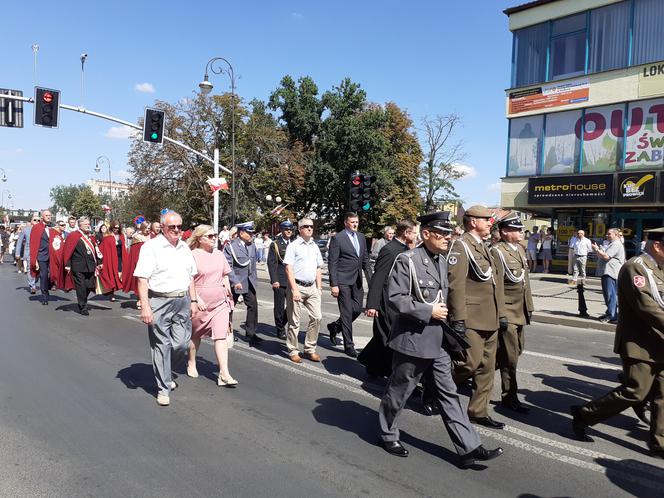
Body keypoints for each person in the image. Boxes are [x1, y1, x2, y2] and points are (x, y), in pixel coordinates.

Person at [378, 211, 504, 468]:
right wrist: (427, 311)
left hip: (437, 339)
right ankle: (388, 434)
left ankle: (469, 447)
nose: (449, 238)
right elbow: (395, 298)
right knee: (400, 390)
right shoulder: (408, 260)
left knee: (448, 393)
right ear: (426, 234)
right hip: (412, 339)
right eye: (443, 234)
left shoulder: (443, 260)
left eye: (450, 233)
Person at [570, 227, 664, 459]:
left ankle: (659, 443)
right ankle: (584, 414)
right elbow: (647, 307)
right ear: (658, 246)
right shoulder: (636, 267)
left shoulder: (659, 268)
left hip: (659, 341)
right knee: (635, 392)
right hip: (640, 343)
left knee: (663, 394)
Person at [447, 205, 506, 429]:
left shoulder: (484, 247)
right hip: (470, 317)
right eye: (486, 219)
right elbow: (456, 285)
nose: (490, 223)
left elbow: (494, 285)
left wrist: (500, 314)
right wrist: (458, 319)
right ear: (472, 221)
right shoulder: (461, 246)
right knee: (467, 364)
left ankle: (478, 411)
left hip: (489, 317)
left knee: (486, 369)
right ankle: (435, 387)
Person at [134, 211, 198, 406]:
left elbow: (191, 277)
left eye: (180, 227)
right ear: (163, 227)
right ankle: (163, 387)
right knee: (161, 345)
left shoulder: (185, 248)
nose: (177, 230)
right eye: (172, 227)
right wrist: (145, 306)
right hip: (159, 301)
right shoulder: (151, 247)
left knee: (181, 344)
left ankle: (166, 369)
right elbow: (142, 279)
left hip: (182, 300)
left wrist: (193, 301)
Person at [359, 219, 418, 378]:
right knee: (386, 336)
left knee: (385, 336)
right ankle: (387, 372)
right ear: (406, 233)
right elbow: (379, 277)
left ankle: (371, 364)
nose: (416, 235)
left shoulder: (404, 248)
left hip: (396, 301)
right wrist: (372, 304)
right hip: (386, 302)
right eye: (414, 232)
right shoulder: (390, 249)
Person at [490, 212, 534, 413]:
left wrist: (529, 307)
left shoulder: (519, 250)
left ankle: (476, 374)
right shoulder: (497, 252)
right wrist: (500, 314)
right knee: (510, 358)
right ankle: (509, 397)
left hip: (520, 311)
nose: (520, 232)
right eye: (516, 229)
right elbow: (496, 286)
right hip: (507, 310)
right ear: (505, 232)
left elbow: (525, 284)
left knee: (515, 351)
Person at [187, 225, 237, 386]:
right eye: (209, 236)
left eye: (214, 235)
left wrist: (227, 288)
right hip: (201, 302)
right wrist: (196, 299)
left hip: (219, 302)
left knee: (221, 336)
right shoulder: (192, 255)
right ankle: (192, 361)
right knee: (196, 335)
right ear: (200, 238)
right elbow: (189, 280)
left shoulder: (219, 254)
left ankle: (224, 373)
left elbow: (224, 275)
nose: (213, 238)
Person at [327, 212, 373, 358]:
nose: (355, 224)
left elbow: (365, 260)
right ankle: (349, 345)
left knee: (357, 309)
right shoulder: (338, 238)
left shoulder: (361, 237)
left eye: (357, 222)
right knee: (346, 313)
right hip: (343, 281)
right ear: (346, 223)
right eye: (352, 222)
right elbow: (332, 262)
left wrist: (372, 283)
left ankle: (335, 326)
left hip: (357, 280)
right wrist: (334, 284)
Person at [282, 218, 324, 363]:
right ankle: (293, 350)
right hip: (298, 286)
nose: (309, 228)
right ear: (299, 229)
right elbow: (288, 268)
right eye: (306, 226)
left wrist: (319, 287)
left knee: (317, 317)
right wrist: (294, 289)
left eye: (311, 226)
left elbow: (319, 267)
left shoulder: (315, 246)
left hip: (312, 287)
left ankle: (310, 349)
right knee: (294, 321)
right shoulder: (293, 246)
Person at [224, 221, 262, 347]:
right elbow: (228, 266)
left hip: (249, 281)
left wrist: (255, 280)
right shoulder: (231, 246)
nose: (251, 235)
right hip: (236, 282)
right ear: (241, 233)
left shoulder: (251, 245)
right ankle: (227, 331)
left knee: (253, 306)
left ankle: (250, 332)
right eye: (249, 232)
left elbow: (253, 265)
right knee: (230, 307)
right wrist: (234, 281)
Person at [63, 217, 103, 315]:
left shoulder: (91, 237)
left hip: (90, 266)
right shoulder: (73, 236)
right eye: (85, 224)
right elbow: (67, 251)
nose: (88, 225)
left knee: (90, 286)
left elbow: (96, 251)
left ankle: (83, 299)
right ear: (80, 225)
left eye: (88, 224)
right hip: (78, 266)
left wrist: (99, 262)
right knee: (81, 287)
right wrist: (67, 264)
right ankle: (82, 306)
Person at [267, 220, 294, 339]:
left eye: (291, 229)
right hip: (280, 279)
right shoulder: (276, 244)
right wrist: (274, 280)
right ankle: (280, 329)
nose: (289, 231)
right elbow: (272, 263)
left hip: (292, 280)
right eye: (286, 229)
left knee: (292, 305)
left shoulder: (295, 244)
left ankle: (281, 322)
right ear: (282, 230)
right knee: (279, 306)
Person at [592, 228, 625, 323]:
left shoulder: (616, 244)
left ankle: (612, 315)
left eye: (609, 234)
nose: (607, 235)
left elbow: (606, 256)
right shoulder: (612, 243)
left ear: (616, 234)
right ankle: (610, 312)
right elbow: (604, 255)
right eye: (607, 234)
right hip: (608, 272)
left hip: (611, 272)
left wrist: (597, 249)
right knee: (609, 294)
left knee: (610, 294)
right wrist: (599, 250)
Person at [122, 221, 151, 309]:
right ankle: (140, 300)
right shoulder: (137, 238)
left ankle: (148, 301)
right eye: (146, 228)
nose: (148, 230)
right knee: (141, 282)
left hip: (152, 263)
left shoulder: (152, 237)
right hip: (141, 263)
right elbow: (134, 254)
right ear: (142, 228)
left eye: (149, 228)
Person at [29, 209, 54, 305]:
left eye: (50, 215)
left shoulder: (53, 227)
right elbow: (33, 244)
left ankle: (48, 288)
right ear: (42, 217)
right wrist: (34, 260)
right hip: (41, 255)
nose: (48, 216)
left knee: (51, 274)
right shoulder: (37, 228)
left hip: (52, 255)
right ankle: (44, 295)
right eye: (47, 215)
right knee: (43, 275)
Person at [97, 221, 125, 301]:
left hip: (119, 258)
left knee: (119, 274)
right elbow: (102, 248)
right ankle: (111, 293)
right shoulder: (107, 236)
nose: (116, 229)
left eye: (118, 228)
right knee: (112, 274)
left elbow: (124, 247)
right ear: (112, 227)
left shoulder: (121, 236)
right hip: (110, 258)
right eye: (115, 227)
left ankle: (114, 288)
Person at [18, 216, 39, 290]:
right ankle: (32, 286)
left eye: (38, 220)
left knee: (39, 270)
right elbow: (19, 242)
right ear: (31, 221)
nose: (37, 221)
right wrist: (17, 253)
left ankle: (34, 280)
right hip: (30, 252)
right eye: (35, 220)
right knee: (30, 269)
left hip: (41, 253)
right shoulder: (26, 230)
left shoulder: (43, 230)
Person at [48, 220, 67, 290]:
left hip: (63, 254)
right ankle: (54, 283)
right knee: (54, 269)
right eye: (62, 225)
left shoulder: (67, 234)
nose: (63, 226)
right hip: (54, 254)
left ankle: (64, 284)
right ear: (57, 226)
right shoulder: (52, 232)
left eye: (64, 225)